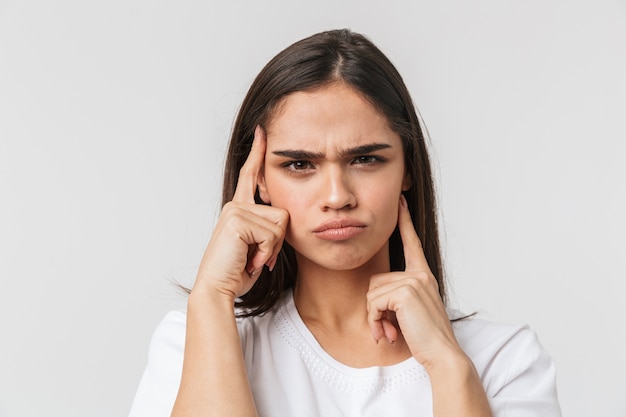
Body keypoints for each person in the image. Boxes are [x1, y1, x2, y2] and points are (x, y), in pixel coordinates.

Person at [128, 29, 561, 417]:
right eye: (299, 164)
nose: (337, 197)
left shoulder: (503, 360)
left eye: (365, 159)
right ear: (258, 179)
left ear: (407, 169)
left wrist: (447, 365)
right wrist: (212, 296)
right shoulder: (196, 338)